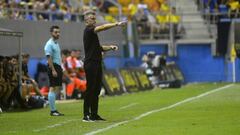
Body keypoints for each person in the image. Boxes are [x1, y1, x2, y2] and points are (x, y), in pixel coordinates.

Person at [82, 10, 127, 122]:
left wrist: (110, 47)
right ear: (86, 20)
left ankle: (94, 114)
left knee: (96, 90)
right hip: (91, 63)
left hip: (97, 63)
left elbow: (99, 48)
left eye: (94, 18)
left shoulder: (92, 33)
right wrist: (116, 24)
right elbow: (102, 28)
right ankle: (86, 115)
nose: (94, 20)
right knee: (90, 89)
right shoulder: (88, 30)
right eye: (92, 18)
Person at [44, 25, 64, 116]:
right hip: (53, 67)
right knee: (52, 87)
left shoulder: (56, 43)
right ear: (51, 33)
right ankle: (52, 110)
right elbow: (49, 58)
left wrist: (60, 67)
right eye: (56, 32)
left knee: (56, 87)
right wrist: (53, 70)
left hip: (57, 66)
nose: (58, 34)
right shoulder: (49, 44)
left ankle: (54, 108)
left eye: (59, 32)